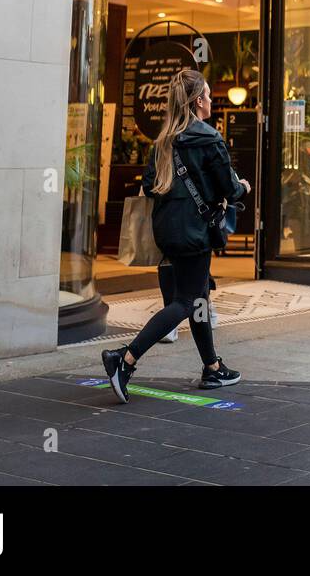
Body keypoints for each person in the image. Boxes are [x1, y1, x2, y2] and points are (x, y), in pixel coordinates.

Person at [102, 69, 250, 403]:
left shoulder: (163, 142)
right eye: (209, 95)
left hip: (168, 229)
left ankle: (212, 367)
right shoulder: (210, 139)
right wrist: (242, 187)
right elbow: (228, 187)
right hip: (196, 231)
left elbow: (151, 184)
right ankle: (124, 359)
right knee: (186, 301)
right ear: (199, 101)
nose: (211, 100)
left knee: (197, 297)